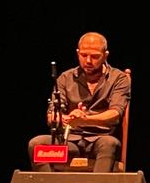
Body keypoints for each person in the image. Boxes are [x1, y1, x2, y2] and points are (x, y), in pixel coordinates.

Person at [27, 32, 130, 172]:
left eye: (95, 56)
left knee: (109, 144)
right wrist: (68, 118)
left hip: (100, 140)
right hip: (69, 140)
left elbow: (115, 113)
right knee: (37, 144)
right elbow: (52, 115)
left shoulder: (118, 78)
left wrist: (85, 120)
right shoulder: (65, 78)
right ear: (77, 53)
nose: (88, 61)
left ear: (105, 55)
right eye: (83, 55)